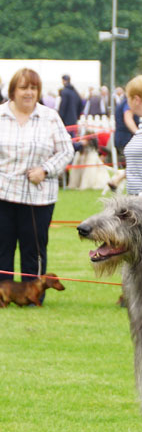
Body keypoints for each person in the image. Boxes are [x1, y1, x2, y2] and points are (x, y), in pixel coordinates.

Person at [0, 68, 74, 283]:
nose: (29, 93)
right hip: (3, 194)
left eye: (34, 88)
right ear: (13, 90)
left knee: (34, 247)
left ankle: (32, 293)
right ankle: (3, 294)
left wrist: (46, 170)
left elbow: (66, 150)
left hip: (38, 197)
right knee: (2, 246)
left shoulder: (49, 117)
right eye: (24, 88)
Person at [58, 74, 84, 151]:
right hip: (73, 120)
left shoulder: (64, 92)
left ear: (63, 81)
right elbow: (81, 104)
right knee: (72, 139)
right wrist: (77, 115)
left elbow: (63, 107)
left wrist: (60, 118)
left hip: (66, 121)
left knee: (66, 142)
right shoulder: (75, 92)